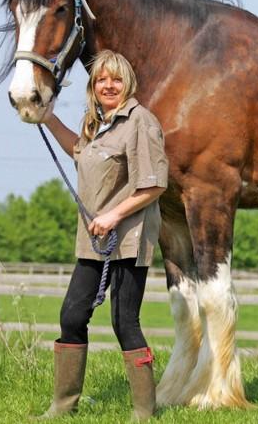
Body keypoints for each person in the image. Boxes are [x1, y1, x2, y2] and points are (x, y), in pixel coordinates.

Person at [40, 50, 167, 420]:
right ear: (93, 88)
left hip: (128, 238)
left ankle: (145, 411)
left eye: (115, 79)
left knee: (124, 322)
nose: (108, 85)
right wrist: (48, 119)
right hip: (93, 241)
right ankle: (64, 405)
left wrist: (113, 215)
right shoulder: (96, 124)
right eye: (100, 80)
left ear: (127, 83)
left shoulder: (140, 122)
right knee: (71, 316)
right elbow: (79, 152)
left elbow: (154, 184)